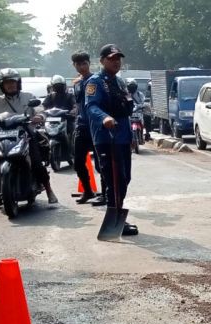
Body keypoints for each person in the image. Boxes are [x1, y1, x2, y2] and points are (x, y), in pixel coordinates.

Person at [0, 68, 59, 207]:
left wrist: (39, 116)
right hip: (0, 136)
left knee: (36, 162)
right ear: (2, 86)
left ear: (18, 83)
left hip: (25, 134)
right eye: (6, 83)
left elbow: (41, 110)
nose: (10, 85)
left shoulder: (28, 97)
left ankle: (49, 190)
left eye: (13, 82)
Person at [85, 44, 138, 237]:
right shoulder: (95, 82)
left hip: (122, 137)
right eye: (112, 58)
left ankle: (118, 213)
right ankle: (114, 219)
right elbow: (91, 107)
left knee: (124, 178)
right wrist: (104, 118)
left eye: (118, 58)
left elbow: (125, 112)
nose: (116, 62)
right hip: (106, 138)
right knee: (113, 179)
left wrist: (131, 136)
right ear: (102, 61)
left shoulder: (121, 83)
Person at [70, 51, 104, 205]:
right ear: (74, 65)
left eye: (84, 63)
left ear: (89, 63)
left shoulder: (97, 80)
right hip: (81, 126)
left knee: (100, 162)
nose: (82, 67)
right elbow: (77, 104)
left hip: (96, 126)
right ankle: (88, 191)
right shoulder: (76, 83)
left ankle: (105, 193)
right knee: (78, 161)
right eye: (78, 64)